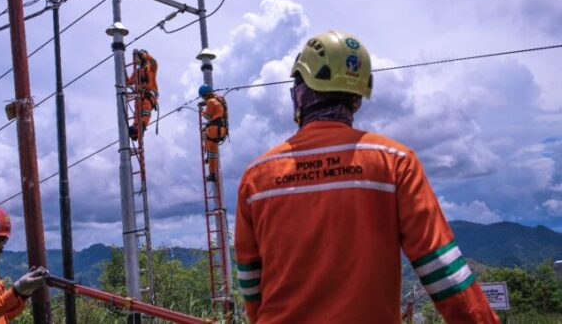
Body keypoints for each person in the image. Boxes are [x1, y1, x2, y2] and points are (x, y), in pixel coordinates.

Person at [234, 31, 499, 323]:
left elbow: (250, 278)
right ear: (357, 98)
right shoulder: (394, 161)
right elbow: (441, 268)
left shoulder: (257, 176)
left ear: (301, 92)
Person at [198, 84, 229, 183]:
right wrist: (205, 104)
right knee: (213, 153)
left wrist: (201, 111)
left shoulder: (211, 101)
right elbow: (215, 110)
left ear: (204, 95)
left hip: (214, 130)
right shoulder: (219, 101)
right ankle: (209, 161)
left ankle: (212, 174)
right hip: (222, 130)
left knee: (203, 134)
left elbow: (207, 117)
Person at [127, 49, 158, 141]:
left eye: (137, 58)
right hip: (139, 96)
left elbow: (154, 62)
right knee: (137, 110)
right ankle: (135, 129)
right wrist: (123, 73)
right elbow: (129, 83)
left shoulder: (151, 68)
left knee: (146, 107)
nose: (136, 61)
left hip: (149, 95)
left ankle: (142, 125)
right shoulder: (136, 72)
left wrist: (144, 55)